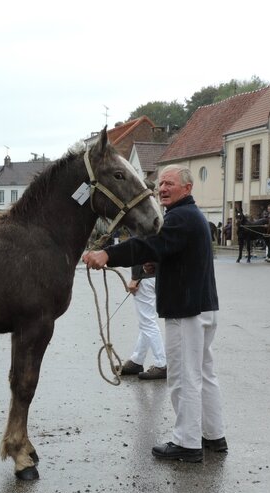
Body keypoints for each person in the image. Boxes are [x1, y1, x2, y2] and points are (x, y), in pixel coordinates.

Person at [83, 164, 226, 463]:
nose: (162, 188)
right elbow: (175, 253)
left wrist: (108, 254)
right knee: (204, 374)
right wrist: (158, 266)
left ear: (187, 189)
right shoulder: (191, 216)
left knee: (184, 377)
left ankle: (187, 443)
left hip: (187, 310)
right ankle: (214, 436)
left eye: (169, 183)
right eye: (160, 183)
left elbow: (150, 242)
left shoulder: (180, 217)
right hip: (203, 307)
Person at [118, 263, 167, 380]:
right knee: (146, 322)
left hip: (145, 276)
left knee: (147, 322)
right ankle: (137, 361)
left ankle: (162, 364)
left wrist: (135, 277)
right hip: (161, 274)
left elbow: (138, 247)